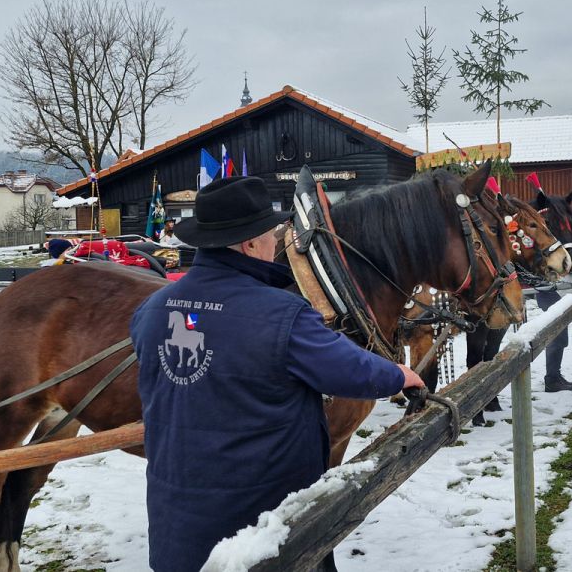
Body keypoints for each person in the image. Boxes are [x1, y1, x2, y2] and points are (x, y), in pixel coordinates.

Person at [130, 177, 424, 572]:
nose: (278, 242)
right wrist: (399, 375)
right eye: (272, 234)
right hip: (260, 532)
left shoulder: (152, 309)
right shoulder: (282, 314)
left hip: (176, 530)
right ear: (251, 244)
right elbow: (351, 370)